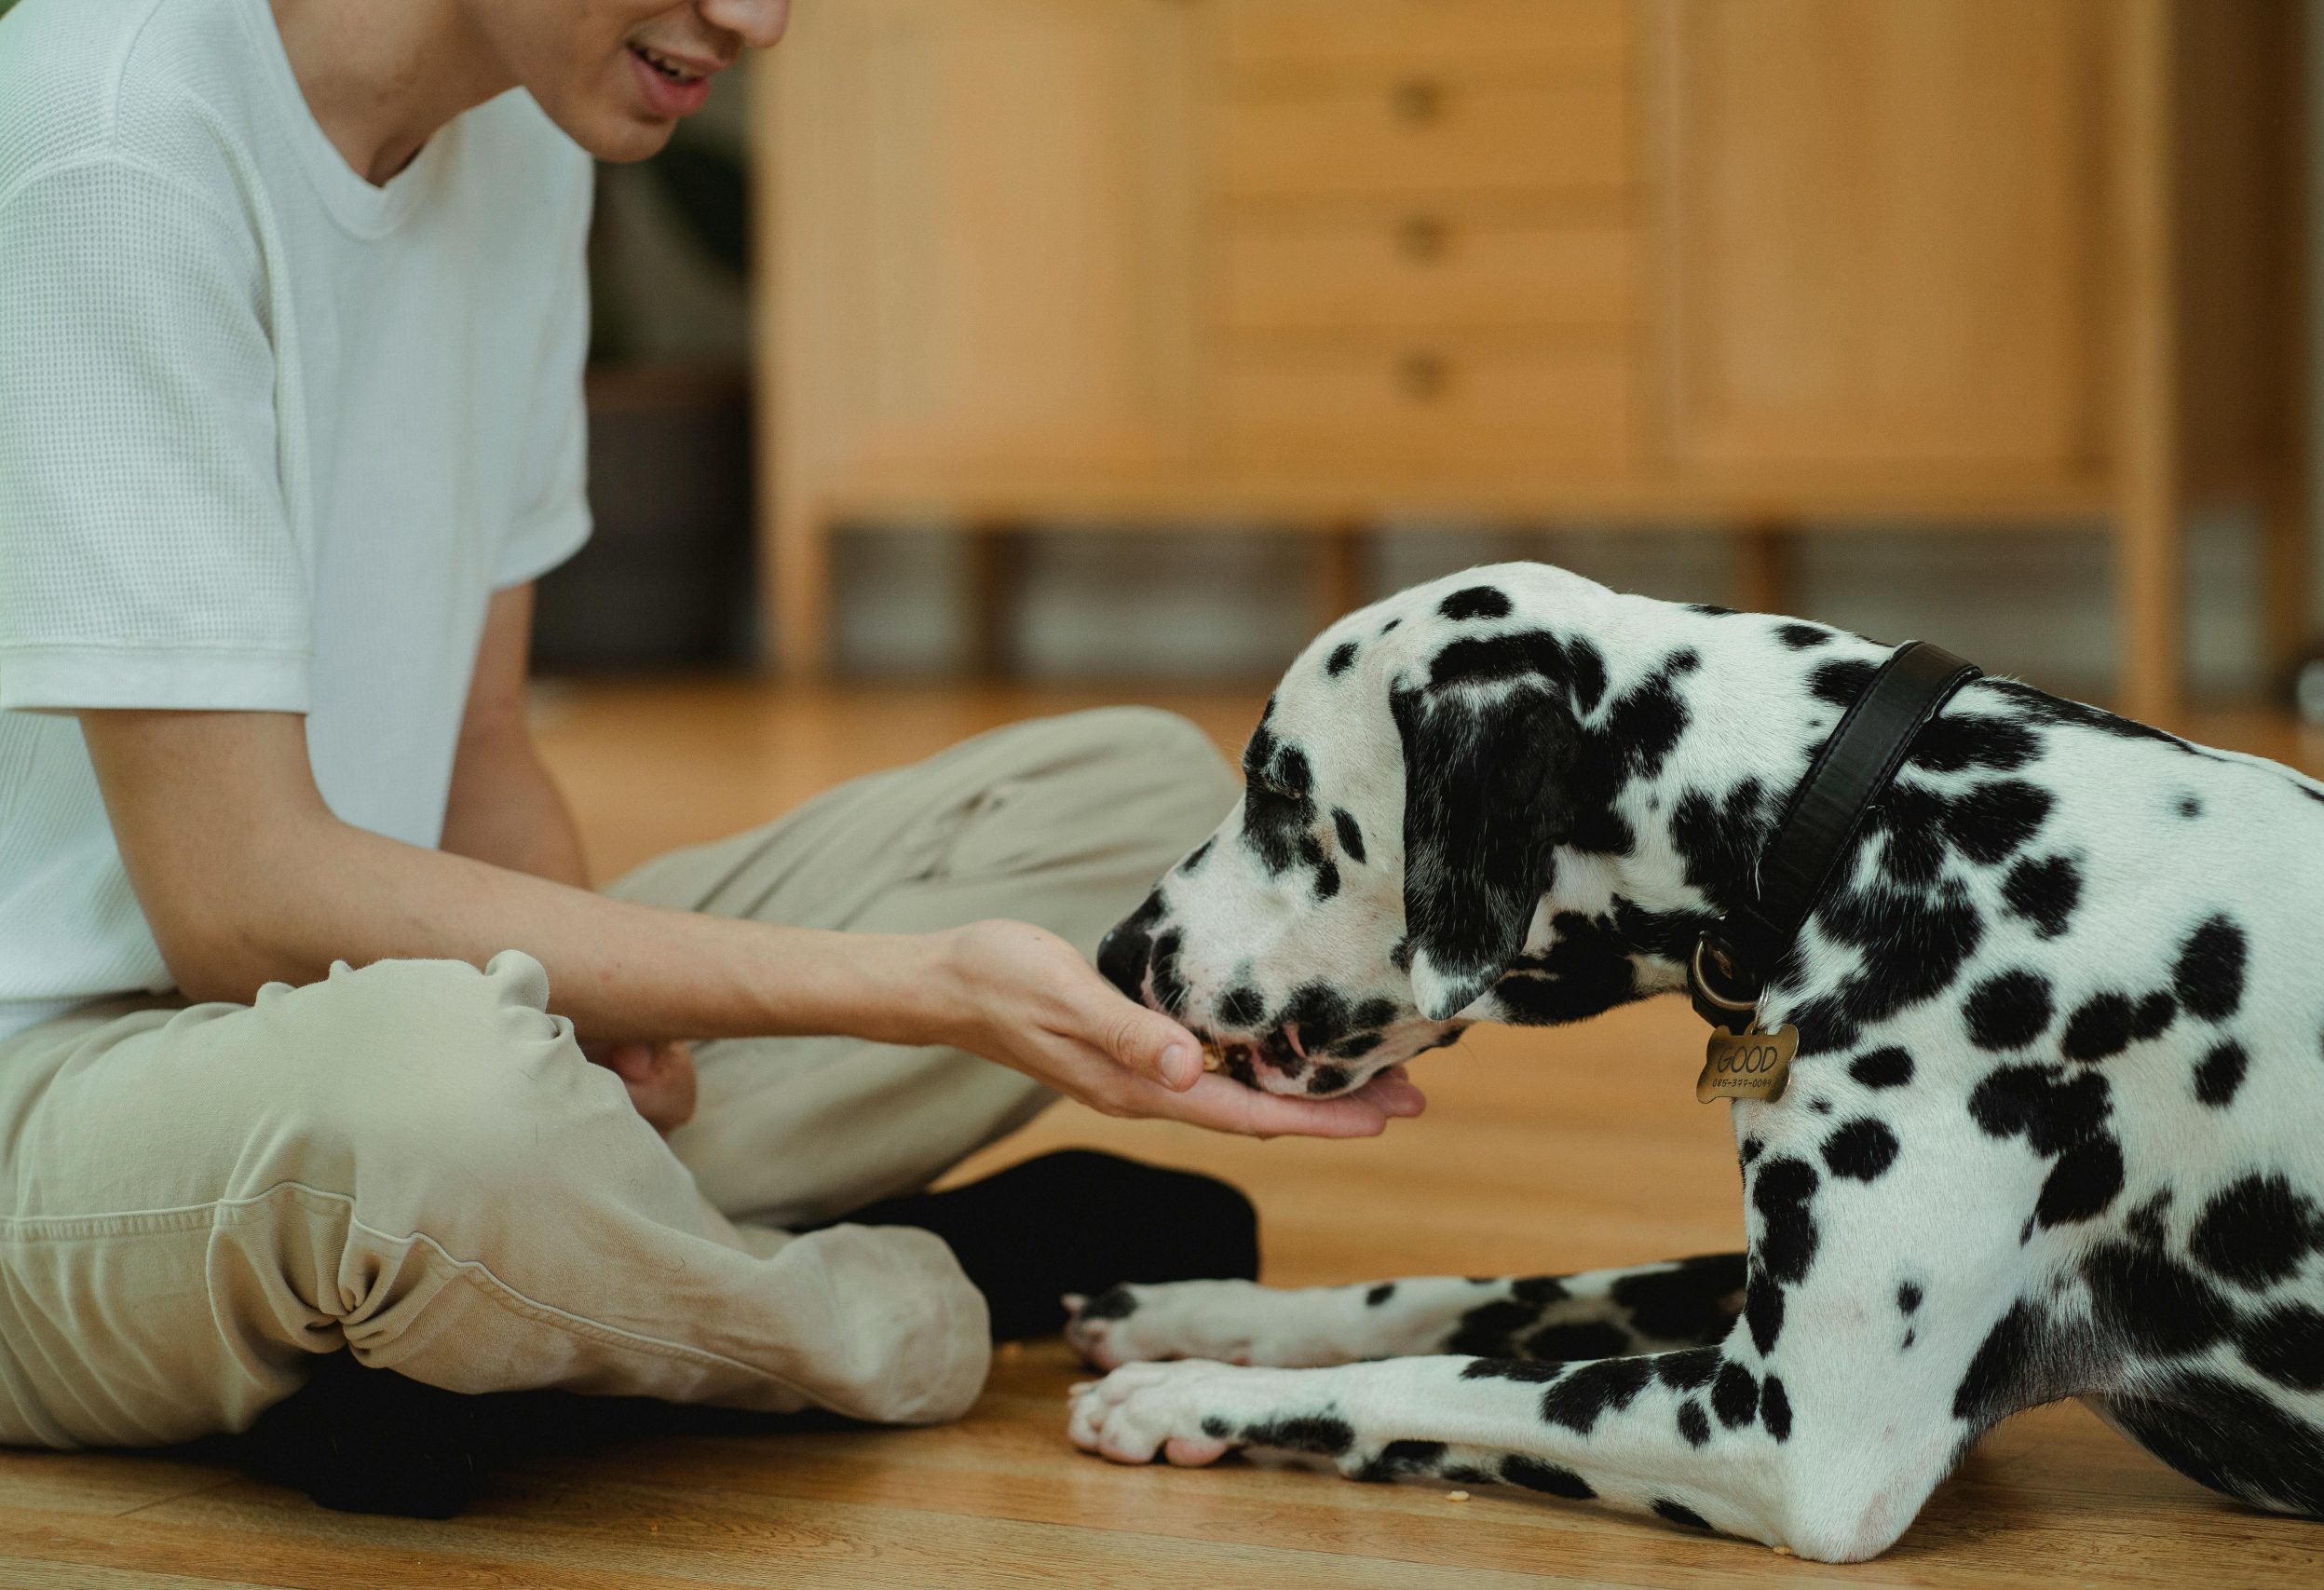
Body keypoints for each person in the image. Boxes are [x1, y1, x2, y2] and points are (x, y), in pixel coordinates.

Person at [0, 0, 1426, 1507]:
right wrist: (926, 994)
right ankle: (894, 1304)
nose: (758, 17)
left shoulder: (527, 128)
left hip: (359, 1010)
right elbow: (235, 903)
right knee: (446, 1110)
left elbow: (481, 748)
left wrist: (599, 1041)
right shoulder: (112, 141)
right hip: (60, 1100)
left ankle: (517, 1308)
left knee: (1131, 803)